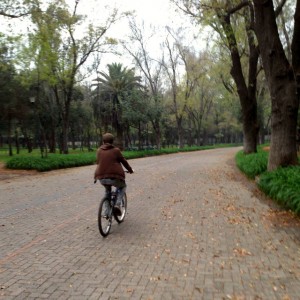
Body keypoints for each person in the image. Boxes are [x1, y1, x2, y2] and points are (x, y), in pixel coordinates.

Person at [94, 133, 134, 215]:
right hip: (114, 177)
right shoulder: (116, 150)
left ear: (103, 141)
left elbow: (98, 162)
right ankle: (117, 204)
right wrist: (130, 170)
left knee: (107, 191)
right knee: (123, 186)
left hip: (101, 177)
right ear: (112, 141)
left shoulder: (99, 151)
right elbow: (124, 162)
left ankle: (105, 212)